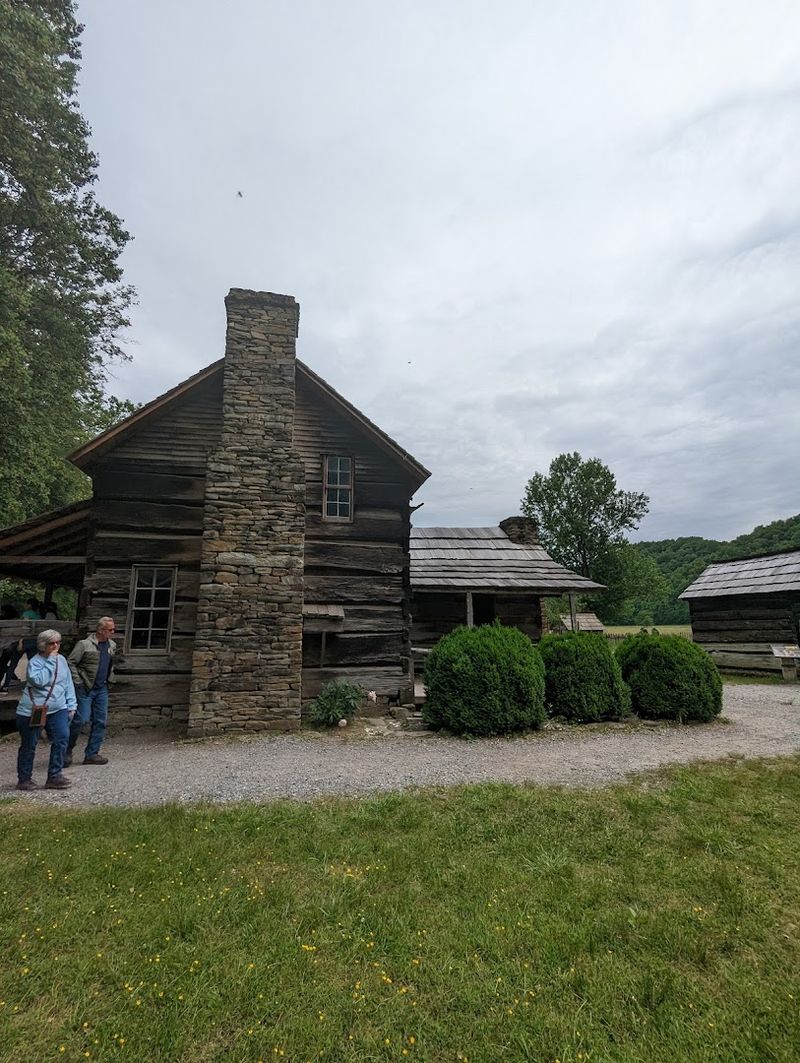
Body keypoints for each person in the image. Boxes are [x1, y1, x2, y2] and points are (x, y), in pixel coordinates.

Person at [15, 629, 77, 791]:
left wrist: (71, 704)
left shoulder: (62, 660)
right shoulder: (35, 662)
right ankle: (24, 779)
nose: (55, 646)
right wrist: (50, 660)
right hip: (33, 710)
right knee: (29, 744)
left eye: (58, 642)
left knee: (62, 738)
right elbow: (39, 681)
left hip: (58, 709)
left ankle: (54, 776)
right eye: (51, 643)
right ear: (43, 645)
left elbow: (67, 683)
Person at [66, 616, 117, 766]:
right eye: (110, 630)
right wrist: (78, 682)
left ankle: (92, 753)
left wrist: (110, 680)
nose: (113, 632)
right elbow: (71, 662)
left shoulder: (111, 645)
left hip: (102, 688)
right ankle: (66, 750)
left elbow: (109, 664)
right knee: (80, 720)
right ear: (101, 630)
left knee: (100, 721)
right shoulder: (84, 645)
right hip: (86, 688)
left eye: (113, 629)